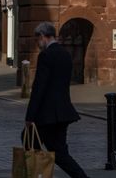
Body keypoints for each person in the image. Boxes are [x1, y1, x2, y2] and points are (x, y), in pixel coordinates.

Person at [25, 22, 90, 178]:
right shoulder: (65, 53)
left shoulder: (46, 55)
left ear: (42, 36)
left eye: (37, 40)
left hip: (48, 115)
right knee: (59, 152)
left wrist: (30, 116)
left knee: (32, 140)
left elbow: (39, 87)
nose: (38, 44)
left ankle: (37, 173)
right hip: (63, 111)